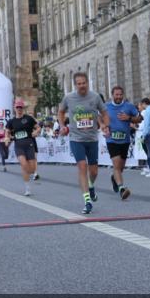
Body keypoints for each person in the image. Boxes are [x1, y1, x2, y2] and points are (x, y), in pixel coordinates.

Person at [57, 72, 110, 214]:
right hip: (76, 138)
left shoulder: (95, 97)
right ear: (75, 85)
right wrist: (62, 125)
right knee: (82, 166)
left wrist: (106, 125)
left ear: (87, 83)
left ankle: (91, 186)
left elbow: (104, 113)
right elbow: (60, 112)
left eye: (83, 83)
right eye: (79, 83)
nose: (82, 86)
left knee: (94, 171)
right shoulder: (69, 98)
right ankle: (87, 200)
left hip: (92, 138)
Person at [105, 86, 140, 200]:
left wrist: (129, 118)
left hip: (125, 140)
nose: (119, 96)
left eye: (120, 94)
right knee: (116, 164)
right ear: (112, 95)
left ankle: (114, 178)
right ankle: (122, 189)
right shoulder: (106, 107)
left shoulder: (128, 106)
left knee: (121, 167)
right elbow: (99, 118)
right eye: (117, 94)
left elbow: (139, 118)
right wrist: (103, 126)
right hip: (111, 140)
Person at [5, 99, 40, 197]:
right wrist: (7, 138)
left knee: (32, 169)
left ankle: (30, 175)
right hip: (19, 145)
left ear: (23, 108)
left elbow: (38, 127)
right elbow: (7, 131)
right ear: (14, 108)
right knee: (24, 164)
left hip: (29, 144)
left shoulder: (28, 118)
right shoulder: (11, 121)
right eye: (17, 107)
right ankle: (27, 188)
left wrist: (36, 132)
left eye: (21, 107)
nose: (19, 109)